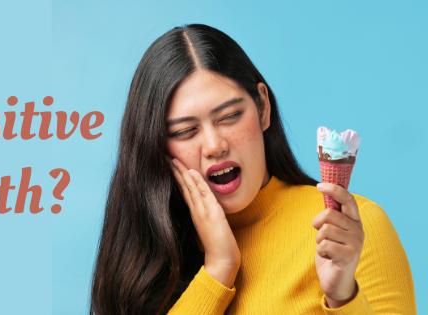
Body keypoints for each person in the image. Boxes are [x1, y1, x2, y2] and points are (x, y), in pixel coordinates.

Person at [89, 24, 416, 315]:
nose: (215, 145)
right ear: (158, 149)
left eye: (229, 116)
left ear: (262, 107)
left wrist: (343, 298)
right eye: (185, 132)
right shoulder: (148, 264)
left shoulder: (347, 233)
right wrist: (217, 270)